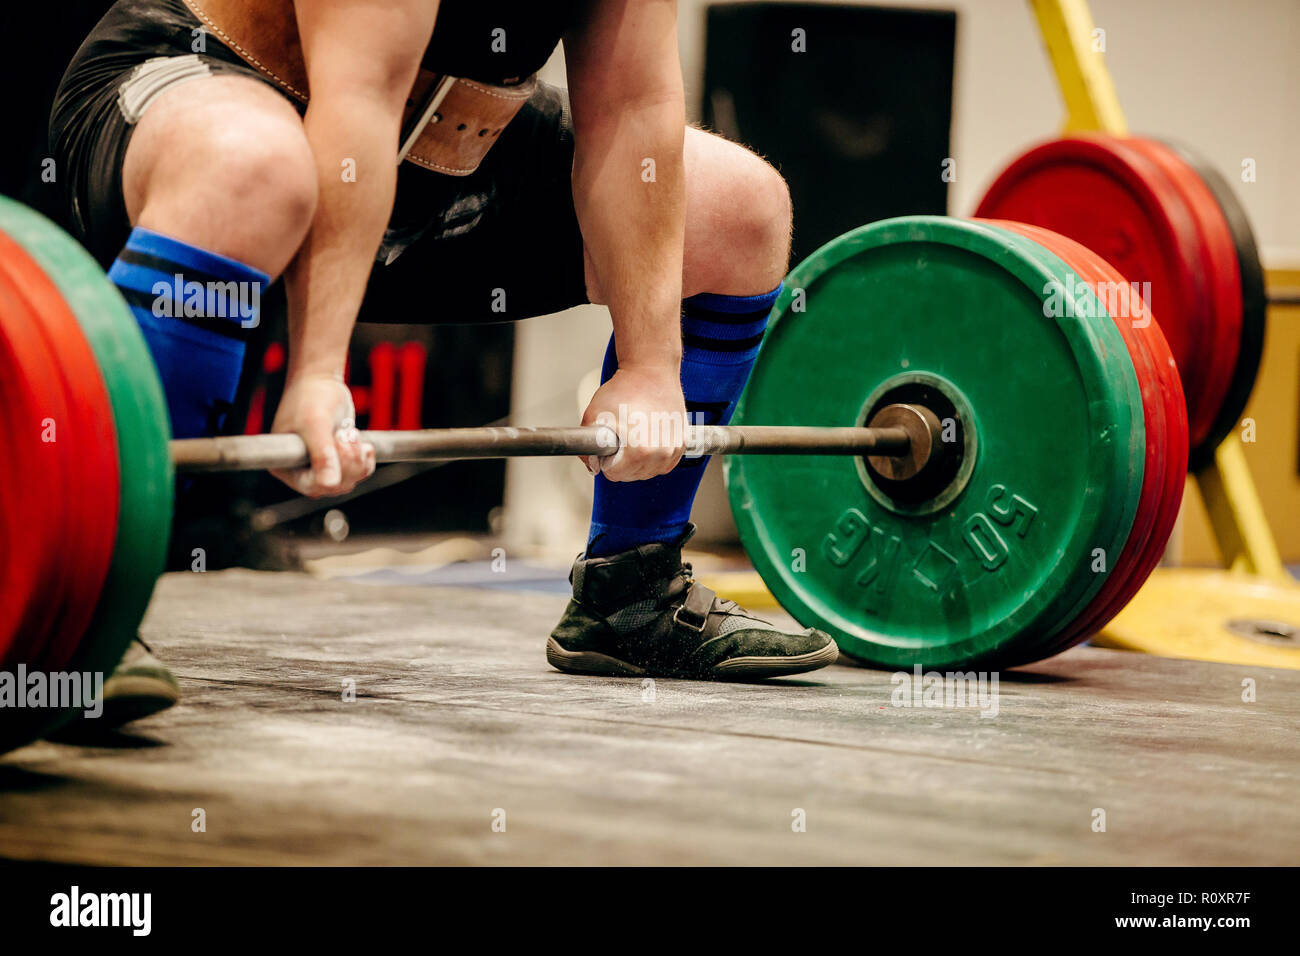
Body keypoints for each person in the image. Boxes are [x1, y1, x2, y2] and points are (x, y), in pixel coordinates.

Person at [50, 0, 838, 723]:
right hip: (206, 101)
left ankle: (631, 596)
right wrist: (318, 373)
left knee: (741, 209)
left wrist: (651, 366)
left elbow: (636, 111)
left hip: (439, 160)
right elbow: (358, 101)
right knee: (254, 166)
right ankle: (77, 611)